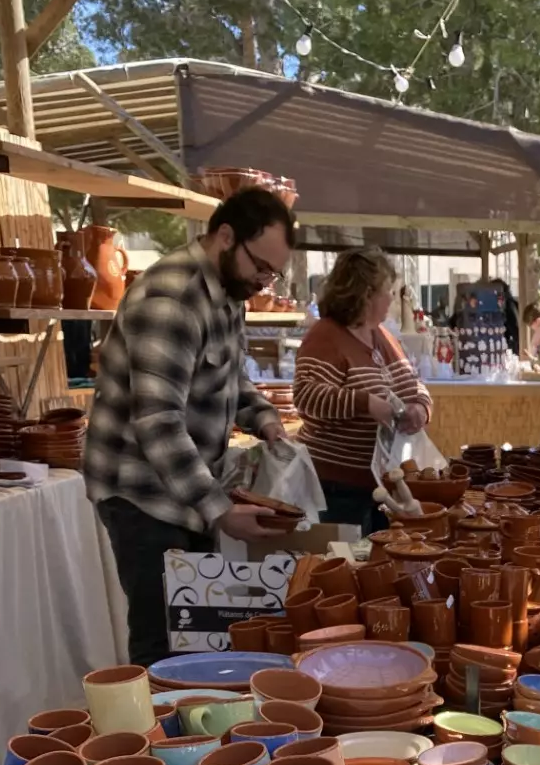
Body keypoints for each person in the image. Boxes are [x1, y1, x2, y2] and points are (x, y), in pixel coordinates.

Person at [84, 186, 297, 666]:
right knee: (163, 641)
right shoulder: (174, 298)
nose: (265, 281)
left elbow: (228, 378)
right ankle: (152, 734)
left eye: (273, 272)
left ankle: (188, 726)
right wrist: (221, 510)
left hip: (187, 493)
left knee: (196, 634)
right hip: (142, 494)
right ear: (225, 236)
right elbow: (158, 422)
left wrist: (266, 420)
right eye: (260, 266)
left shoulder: (228, 290)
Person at [294, 246, 433, 536]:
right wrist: (365, 403)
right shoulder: (326, 336)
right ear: (366, 294)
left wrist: (420, 407)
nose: (392, 298)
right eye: (388, 291)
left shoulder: (381, 335)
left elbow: (413, 382)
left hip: (381, 486)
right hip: (336, 489)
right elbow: (307, 396)